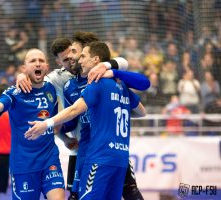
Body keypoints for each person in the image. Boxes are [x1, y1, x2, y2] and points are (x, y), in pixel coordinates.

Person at [17, 31, 148, 200]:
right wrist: (22, 75)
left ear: (95, 59)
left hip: (99, 152)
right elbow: (141, 110)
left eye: (76, 53)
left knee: (129, 191)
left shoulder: (99, 79)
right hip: (90, 149)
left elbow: (74, 110)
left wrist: (47, 124)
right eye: (67, 56)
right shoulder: (65, 80)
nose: (74, 58)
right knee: (78, 194)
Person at [0, 48, 65, 200]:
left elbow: (55, 121)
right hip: (24, 164)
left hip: (50, 158)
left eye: (41, 61)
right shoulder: (14, 92)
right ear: (24, 68)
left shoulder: (51, 88)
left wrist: (66, 139)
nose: (37, 64)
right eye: (32, 61)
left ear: (47, 67)